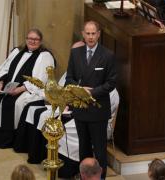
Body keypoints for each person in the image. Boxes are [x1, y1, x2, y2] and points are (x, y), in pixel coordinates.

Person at [65, 20, 116, 179]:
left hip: (98, 111)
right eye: (88, 33)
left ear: (99, 34)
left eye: (94, 33)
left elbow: (111, 82)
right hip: (80, 109)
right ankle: (84, 177)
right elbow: (69, 79)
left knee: (100, 151)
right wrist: (80, 90)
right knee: (83, 148)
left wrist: (92, 92)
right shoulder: (75, 53)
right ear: (83, 34)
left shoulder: (108, 55)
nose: (91, 36)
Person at [0, 28, 56, 148]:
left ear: (40, 41)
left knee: (16, 103)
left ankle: (9, 139)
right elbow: (5, 69)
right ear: (26, 39)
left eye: (36, 39)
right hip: (9, 87)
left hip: (28, 89)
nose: (32, 41)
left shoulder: (44, 56)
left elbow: (41, 79)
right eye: (30, 38)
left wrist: (20, 89)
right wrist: (1, 82)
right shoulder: (17, 52)